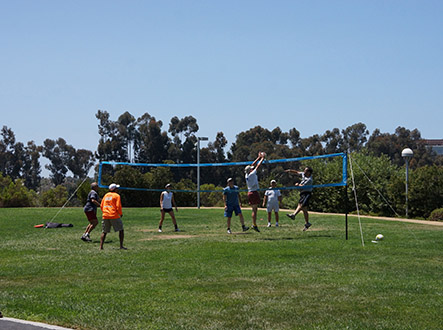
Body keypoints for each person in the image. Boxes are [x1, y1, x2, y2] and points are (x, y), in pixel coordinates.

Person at [285, 167, 313, 231]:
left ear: (308, 173)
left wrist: (298, 185)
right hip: (303, 193)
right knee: (304, 209)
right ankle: (307, 223)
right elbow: (297, 172)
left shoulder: (309, 180)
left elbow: (302, 186)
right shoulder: (304, 174)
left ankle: (294, 215)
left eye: (305, 171)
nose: (304, 171)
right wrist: (290, 170)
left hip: (307, 193)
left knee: (301, 205)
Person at [100, 183, 126, 250]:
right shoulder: (117, 196)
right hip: (114, 215)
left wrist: (105, 212)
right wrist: (120, 213)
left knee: (104, 231)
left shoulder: (106, 195)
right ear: (115, 189)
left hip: (105, 215)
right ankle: (121, 246)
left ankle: (101, 247)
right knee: (121, 230)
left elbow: (101, 205)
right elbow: (118, 206)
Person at [244, 152, 266, 232]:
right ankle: (254, 224)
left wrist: (258, 158)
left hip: (250, 192)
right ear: (250, 170)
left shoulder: (246, 175)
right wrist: (262, 158)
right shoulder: (252, 174)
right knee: (254, 210)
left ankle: (254, 224)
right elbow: (257, 166)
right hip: (253, 192)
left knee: (254, 209)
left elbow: (252, 165)